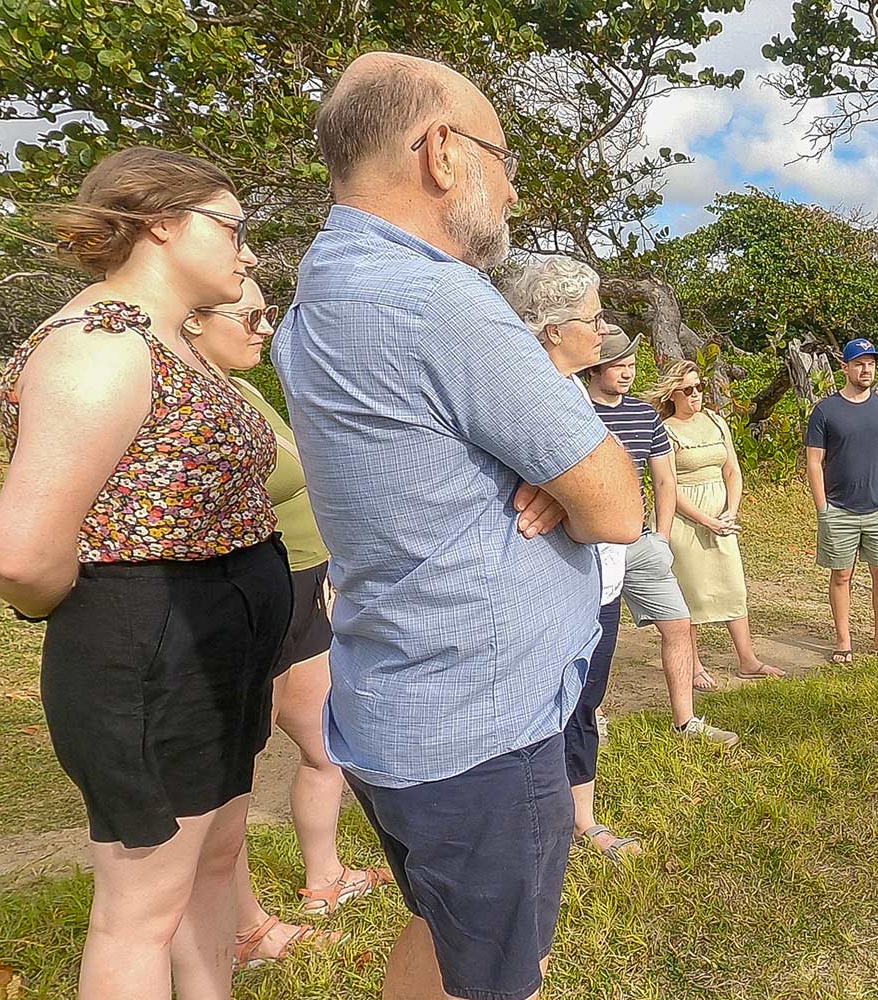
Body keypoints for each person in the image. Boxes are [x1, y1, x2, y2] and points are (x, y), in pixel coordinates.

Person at [272, 53, 641, 1000]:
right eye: (502, 154)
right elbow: (620, 503)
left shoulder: (320, 293)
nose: (511, 184)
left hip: (401, 699)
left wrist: (552, 477)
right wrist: (567, 477)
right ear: (442, 153)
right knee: (504, 977)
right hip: (485, 725)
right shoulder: (437, 299)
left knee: (440, 931)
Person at [0, 147, 291, 1000]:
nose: (249, 252)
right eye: (232, 226)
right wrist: (89, 618)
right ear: (159, 222)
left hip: (209, 643)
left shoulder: (169, 342)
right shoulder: (100, 347)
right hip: (150, 649)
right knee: (139, 909)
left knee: (215, 862)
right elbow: (19, 556)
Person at [181, 278, 391, 968]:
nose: (266, 328)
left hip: (304, 581)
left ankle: (323, 878)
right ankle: (243, 929)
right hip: (254, 595)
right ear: (193, 322)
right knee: (232, 780)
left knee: (325, 743)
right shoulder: (190, 400)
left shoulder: (243, 391)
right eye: (250, 315)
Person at [580, 330, 742, 745]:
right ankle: (591, 714)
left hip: (640, 541)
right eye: (619, 366)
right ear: (595, 368)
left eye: (632, 366)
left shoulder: (643, 415)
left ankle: (685, 721)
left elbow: (665, 481)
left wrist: (662, 538)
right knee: (592, 634)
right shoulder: (576, 412)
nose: (628, 373)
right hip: (588, 546)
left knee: (679, 623)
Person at [651, 360, 786, 682]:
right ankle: (693, 666)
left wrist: (730, 511)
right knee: (691, 592)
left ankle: (748, 659)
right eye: (688, 389)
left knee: (733, 587)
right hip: (685, 519)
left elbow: (732, 470)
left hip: (722, 516)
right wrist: (705, 520)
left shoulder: (715, 420)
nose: (696, 394)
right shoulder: (665, 430)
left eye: (699, 386)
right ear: (672, 394)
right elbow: (667, 484)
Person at [804, 337, 878, 663]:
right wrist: (822, 508)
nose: (866, 369)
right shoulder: (825, 411)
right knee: (841, 575)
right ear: (845, 367)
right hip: (838, 509)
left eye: (871, 363)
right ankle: (843, 641)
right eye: (860, 363)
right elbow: (813, 462)